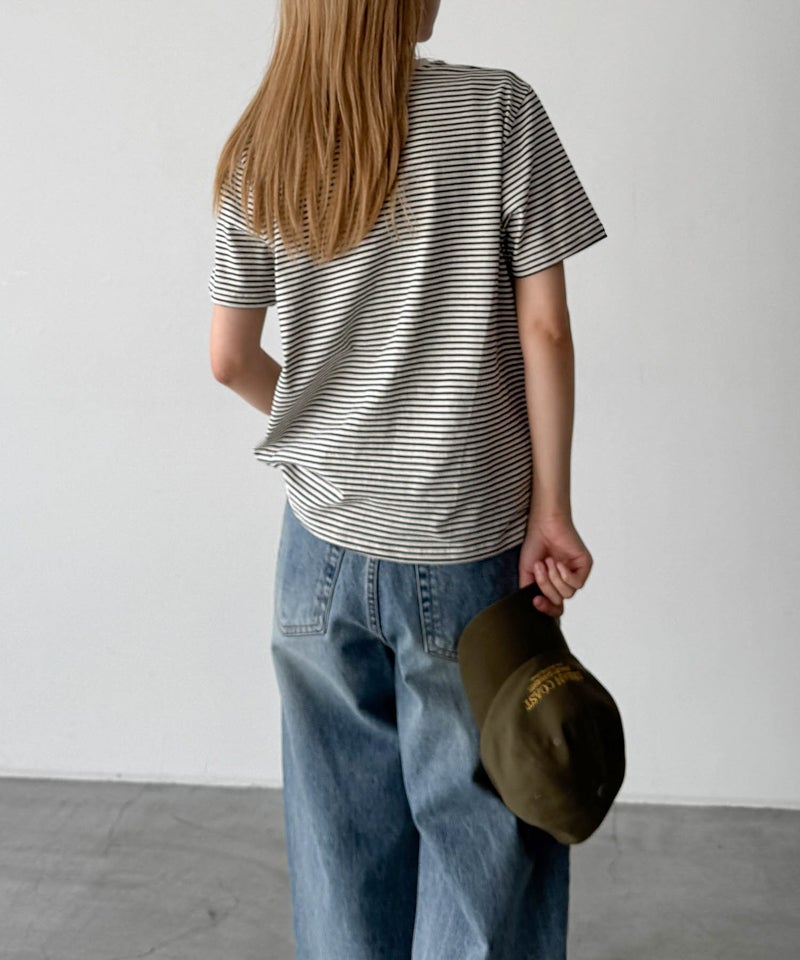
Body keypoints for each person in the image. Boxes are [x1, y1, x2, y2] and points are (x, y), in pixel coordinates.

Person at [208, 2, 607, 957]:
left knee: (340, 842)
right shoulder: (498, 111)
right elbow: (545, 329)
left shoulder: (263, 140)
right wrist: (551, 509)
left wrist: (331, 429)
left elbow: (229, 359)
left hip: (316, 556)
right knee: (483, 837)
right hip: (464, 550)